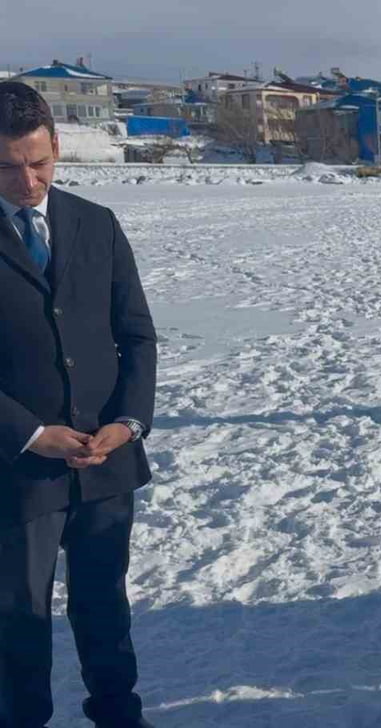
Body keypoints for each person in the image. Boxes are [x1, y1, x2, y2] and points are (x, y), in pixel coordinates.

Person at [0, 82, 158, 728]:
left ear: (57, 147)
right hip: (16, 470)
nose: (28, 181)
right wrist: (30, 433)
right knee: (18, 617)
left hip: (103, 459)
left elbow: (136, 335)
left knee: (104, 606)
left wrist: (128, 422)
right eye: (8, 167)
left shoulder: (96, 224)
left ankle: (119, 714)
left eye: (39, 162)